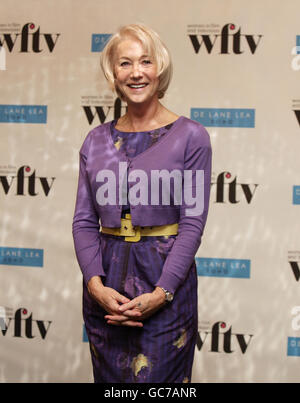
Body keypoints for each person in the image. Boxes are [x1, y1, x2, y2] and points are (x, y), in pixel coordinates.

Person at [72, 23, 212, 383]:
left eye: (145, 62)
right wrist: (95, 286)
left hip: (164, 286)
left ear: (159, 69)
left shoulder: (191, 136)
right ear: (113, 74)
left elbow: (192, 223)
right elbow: (84, 222)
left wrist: (161, 293)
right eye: (125, 63)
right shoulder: (95, 141)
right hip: (107, 290)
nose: (136, 72)